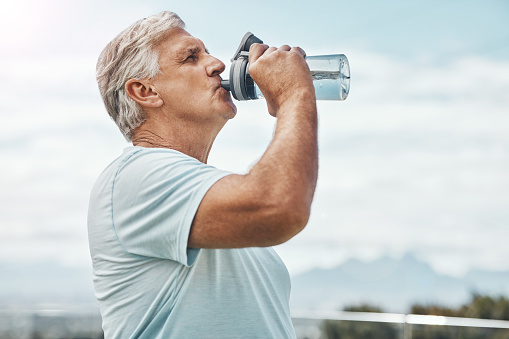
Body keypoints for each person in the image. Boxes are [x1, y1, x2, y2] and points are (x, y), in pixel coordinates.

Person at [88, 10, 318, 339]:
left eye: (207, 52)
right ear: (146, 91)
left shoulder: (210, 199)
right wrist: (294, 96)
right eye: (191, 57)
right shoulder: (134, 177)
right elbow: (280, 206)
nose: (217, 64)